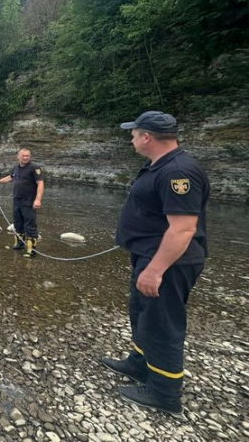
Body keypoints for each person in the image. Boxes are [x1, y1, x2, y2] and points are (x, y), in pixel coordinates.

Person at [103, 111, 210, 415]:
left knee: (162, 324)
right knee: (142, 314)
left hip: (169, 263)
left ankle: (165, 393)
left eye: (134, 134)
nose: (131, 139)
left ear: (147, 137)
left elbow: (183, 229)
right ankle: (140, 365)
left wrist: (155, 270)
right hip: (150, 255)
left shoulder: (178, 172)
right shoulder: (159, 165)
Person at [0, 148, 44, 257]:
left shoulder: (35, 168)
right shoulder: (16, 167)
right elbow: (10, 177)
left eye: (27, 156)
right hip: (17, 200)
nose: (25, 158)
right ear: (18, 157)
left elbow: (41, 183)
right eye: (23, 156)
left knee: (30, 225)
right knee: (18, 223)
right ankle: (19, 245)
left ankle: (31, 250)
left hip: (29, 201)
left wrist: (38, 199)